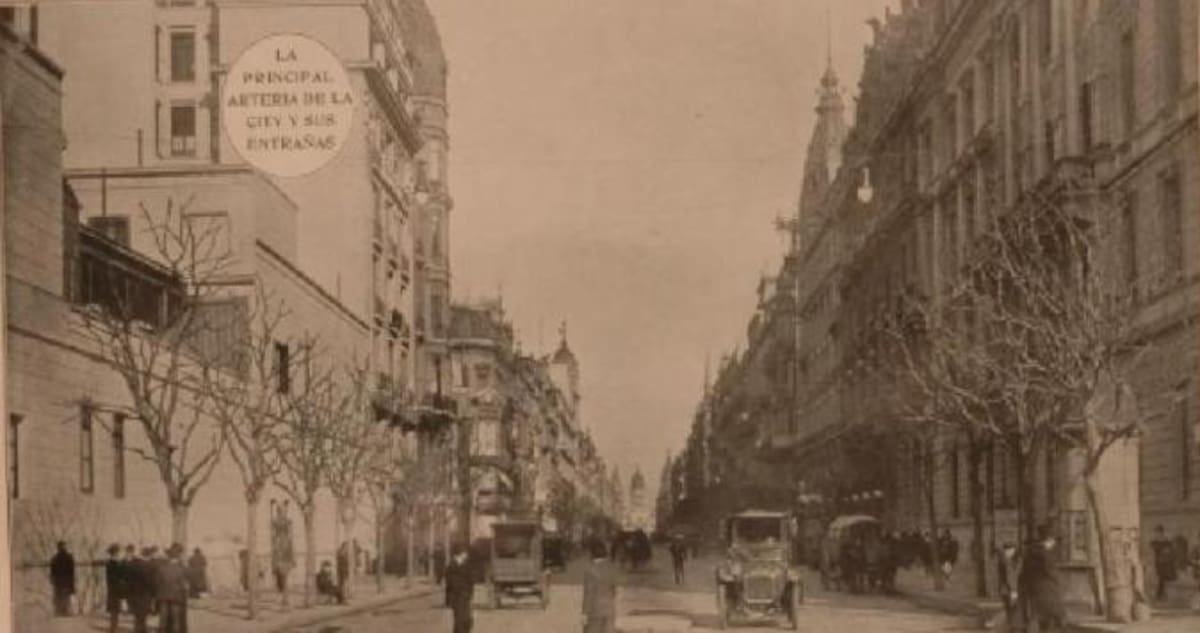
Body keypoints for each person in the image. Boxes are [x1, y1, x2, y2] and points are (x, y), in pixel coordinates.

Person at [1019, 526, 1066, 633]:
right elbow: (1050, 571)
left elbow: (1025, 571)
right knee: (1053, 620)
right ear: (1049, 540)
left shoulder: (1030, 551)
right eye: (1054, 541)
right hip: (1048, 591)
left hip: (1034, 590)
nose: (1054, 544)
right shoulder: (1045, 553)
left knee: (1037, 619)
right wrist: (1058, 581)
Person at [582, 540, 618, 633]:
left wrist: (584, 613)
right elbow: (614, 591)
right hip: (609, 609)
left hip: (595, 610)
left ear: (591, 553)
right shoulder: (611, 568)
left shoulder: (590, 570)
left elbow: (589, 593)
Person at [157, 543, 189, 633]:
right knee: (176, 620)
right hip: (176, 597)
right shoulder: (181, 569)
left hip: (163, 597)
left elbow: (158, 583)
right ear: (177, 557)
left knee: (163, 619)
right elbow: (184, 585)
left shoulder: (162, 568)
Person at [445, 545, 475, 633]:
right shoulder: (451, 565)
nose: (466, 555)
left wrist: (470, 594)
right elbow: (449, 583)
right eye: (465, 553)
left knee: (466, 619)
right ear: (460, 554)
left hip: (465, 596)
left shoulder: (466, 564)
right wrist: (449, 599)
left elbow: (471, 580)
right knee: (460, 619)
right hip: (457, 596)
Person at [127, 548, 156, 633]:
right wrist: (154, 594)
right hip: (146, 595)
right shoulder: (150, 566)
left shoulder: (134, 565)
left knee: (137, 616)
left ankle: (138, 630)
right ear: (149, 555)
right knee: (143, 616)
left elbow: (129, 580)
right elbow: (152, 582)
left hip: (135, 594)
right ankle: (142, 630)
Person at [996, 542, 1021, 629]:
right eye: (1011, 550)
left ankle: (1010, 628)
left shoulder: (1002, 560)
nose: (1012, 552)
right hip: (1008, 590)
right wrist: (1014, 590)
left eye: (1013, 550)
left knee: (1009, 611)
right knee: (1012, 611)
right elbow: (1009, 576)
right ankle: (1011, 628)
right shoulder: (1007, 561)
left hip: (1004, 590)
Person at [1150, 525, 1177, 602]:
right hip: (1157, 563)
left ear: (1162, 532)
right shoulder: (1154, 542)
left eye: (1158, 532)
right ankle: (1160, 594)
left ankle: (1159, 594)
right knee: (1160, 578)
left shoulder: (1167, 542)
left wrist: (1166, 556)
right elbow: (1152, 552)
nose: (1157, 534)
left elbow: (1171, 553)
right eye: (1156, 532)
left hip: (1165, 564)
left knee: (1161, 578)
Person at [49, 541, 76, 616]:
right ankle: (61, 611)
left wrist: (71, 583)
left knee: (63, 596)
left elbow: (71, 571)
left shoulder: (67, 558)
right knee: (61, 596)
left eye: (63, 546)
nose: (62, 548)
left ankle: (63, 611)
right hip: (61, 581)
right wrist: (52, 579)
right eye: (61, 546)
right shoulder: (56, 558)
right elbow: (53, 571)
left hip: (64, 581)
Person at [104, 544, 126, 633]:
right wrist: (121, 580)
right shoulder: (112, 564)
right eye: (117, 552)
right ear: (114, 553)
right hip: (115, 589)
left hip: (113, 589)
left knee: (115, 610)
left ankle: (114, 627)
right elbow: (115, 577)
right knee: (115, 610)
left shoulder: (111, 563)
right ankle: (113, 628)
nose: (117, 554)